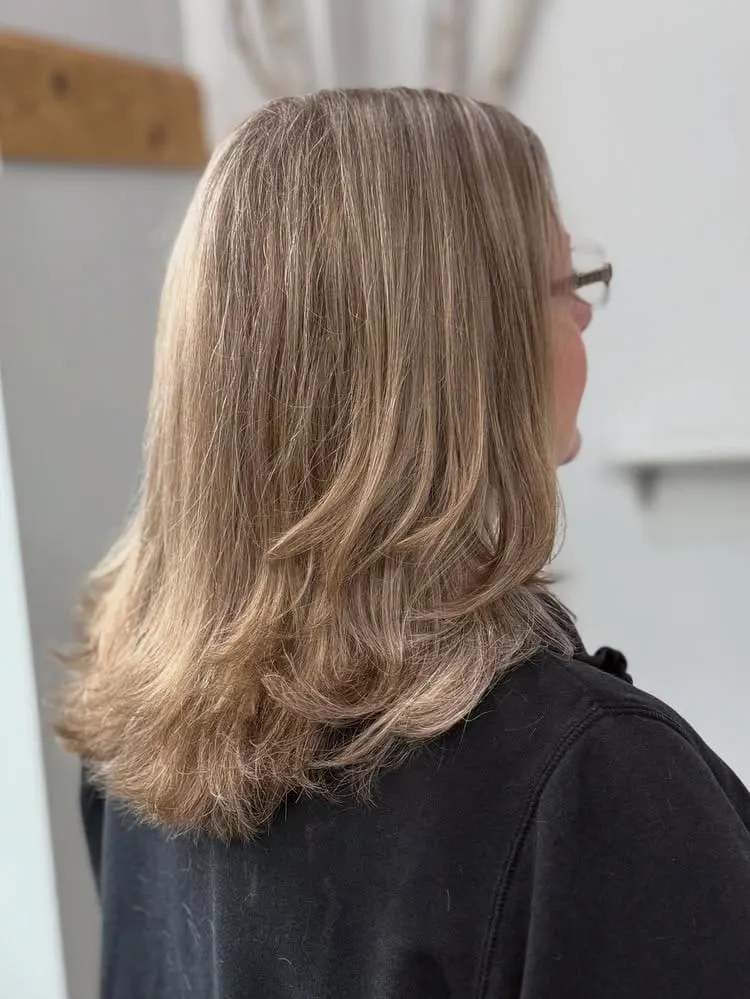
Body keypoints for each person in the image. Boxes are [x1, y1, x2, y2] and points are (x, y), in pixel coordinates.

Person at [56, 88, 750, 998]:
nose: (585, 315)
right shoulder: (592, 788)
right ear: (467, 353)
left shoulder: (132, 726)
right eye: (561, 285)